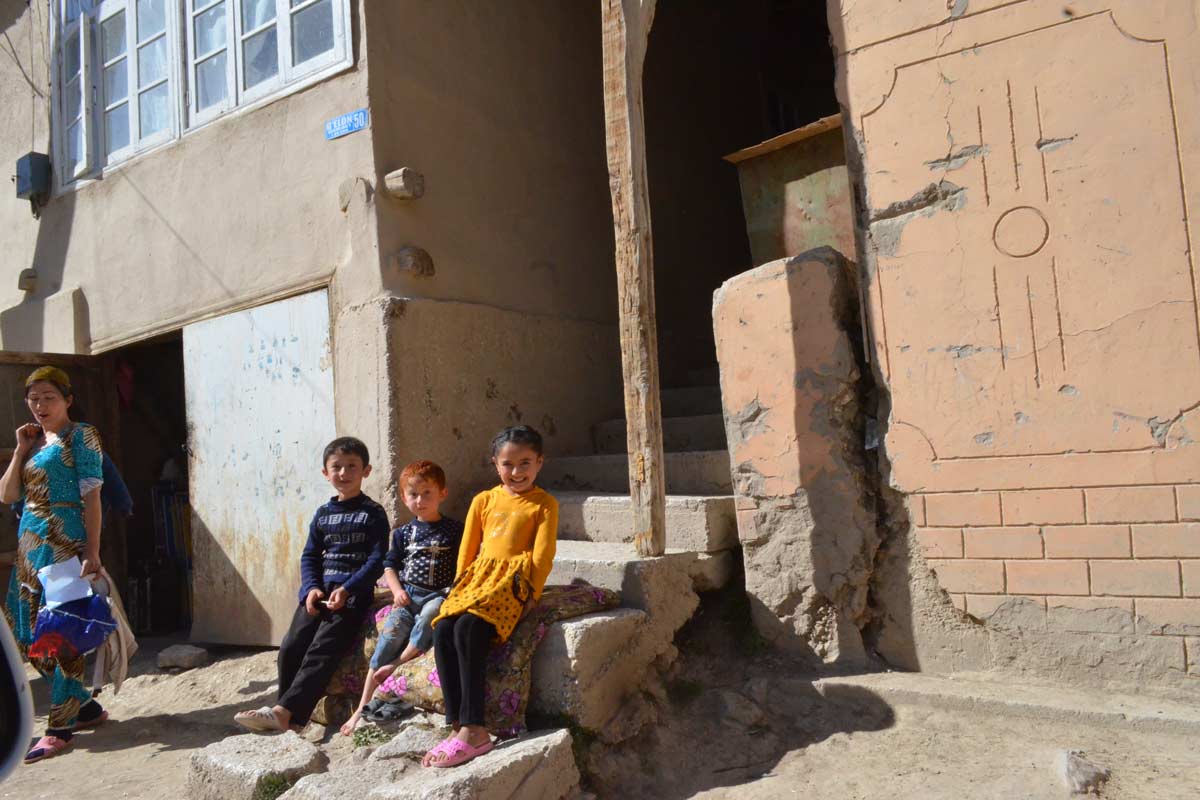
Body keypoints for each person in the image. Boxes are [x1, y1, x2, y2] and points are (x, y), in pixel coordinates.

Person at [422, 425, 558, 769]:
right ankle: (457, 726)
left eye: (525, 463)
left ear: (539, 462)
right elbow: (467, 549)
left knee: (469, 628)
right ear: (495, 464)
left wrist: (532, 594)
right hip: (477, 577)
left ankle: (476, 729)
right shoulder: (483, 500)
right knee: (443, 627)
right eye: (508, 464)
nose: (517, 472)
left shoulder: (544, 504)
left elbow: (542, 555)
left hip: (511, 579)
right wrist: (457, 587)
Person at [234, 436, 389, 732]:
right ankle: (287, 718)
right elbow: (310, 556)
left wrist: (350, 588)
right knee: (291, 647)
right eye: (336, 467)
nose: (343, 473)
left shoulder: (373, 512)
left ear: (366, 471)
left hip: (351, 596)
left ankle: (283, 714)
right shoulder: (323, 515)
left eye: (351, 466)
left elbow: (377, 559)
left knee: (321, 649)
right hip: (320, 594)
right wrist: (310, 589)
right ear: (325, 473)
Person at [0, 366, 108, 764]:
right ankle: (85, 705)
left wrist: (93, 551)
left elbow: (93, 498)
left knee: (60, 636)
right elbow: (7, 493)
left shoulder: (82, 436)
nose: (40, 405)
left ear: (67, 400)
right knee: (25, 637)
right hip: (29, 548)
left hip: (65, 546)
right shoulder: (31, 443)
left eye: (49, 397)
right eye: (34, 399)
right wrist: (18, 451)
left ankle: (60, 729)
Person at [340, 460, 464, 736]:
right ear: (404, 498)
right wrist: (397, 591)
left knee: (433, 612)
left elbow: (464, 562)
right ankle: (361, 708)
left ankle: (397, 663)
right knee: (390, 633)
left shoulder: (455, 530)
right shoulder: (403, 533)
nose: (420, 501)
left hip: (439, 593)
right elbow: (389, 566)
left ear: (443, 493)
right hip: (408, 596)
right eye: (413, 495)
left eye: (427, 493)